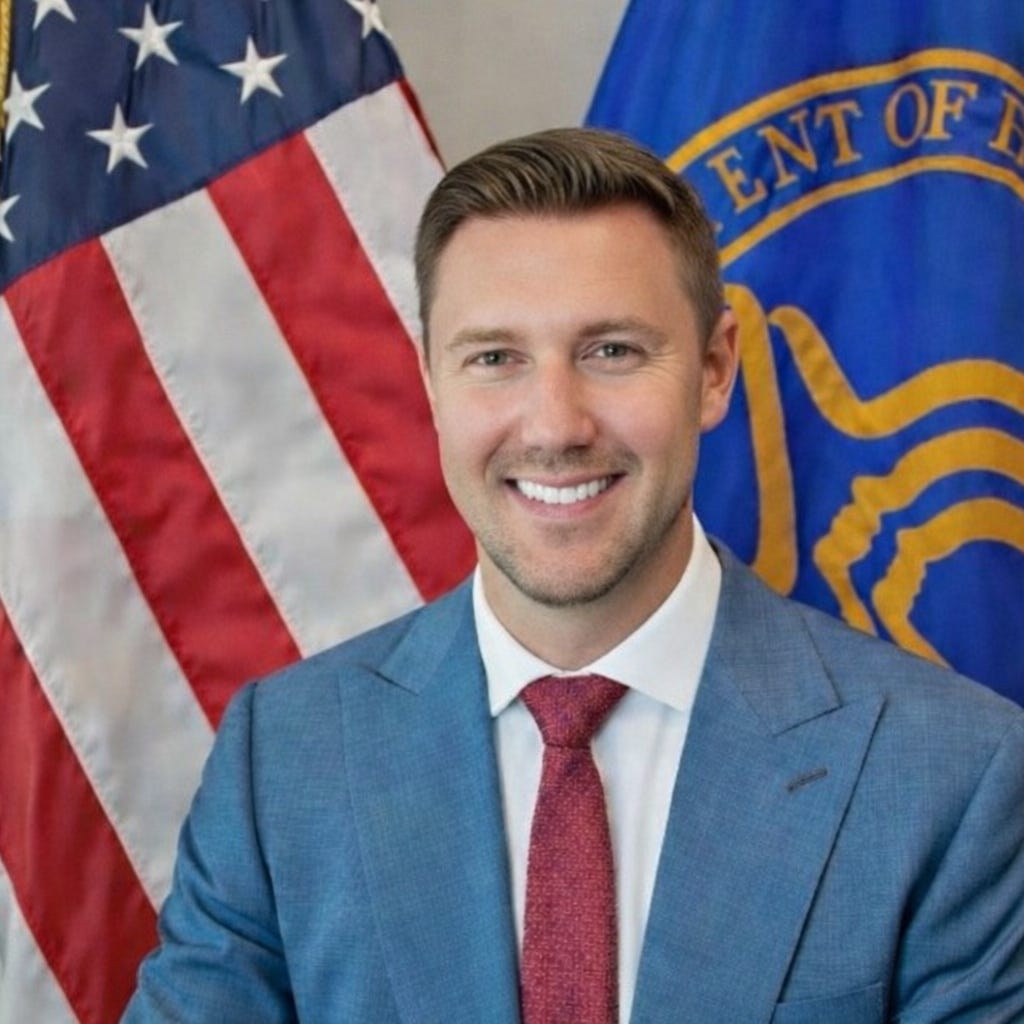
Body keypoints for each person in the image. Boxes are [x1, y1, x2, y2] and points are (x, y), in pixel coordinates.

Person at [123, 128, 1024, 1023]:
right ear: (431, 382)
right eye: (495, 359)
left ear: (714, 371)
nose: (555, 425)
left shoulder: (955, 775)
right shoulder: (283, 757)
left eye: (612, 352)